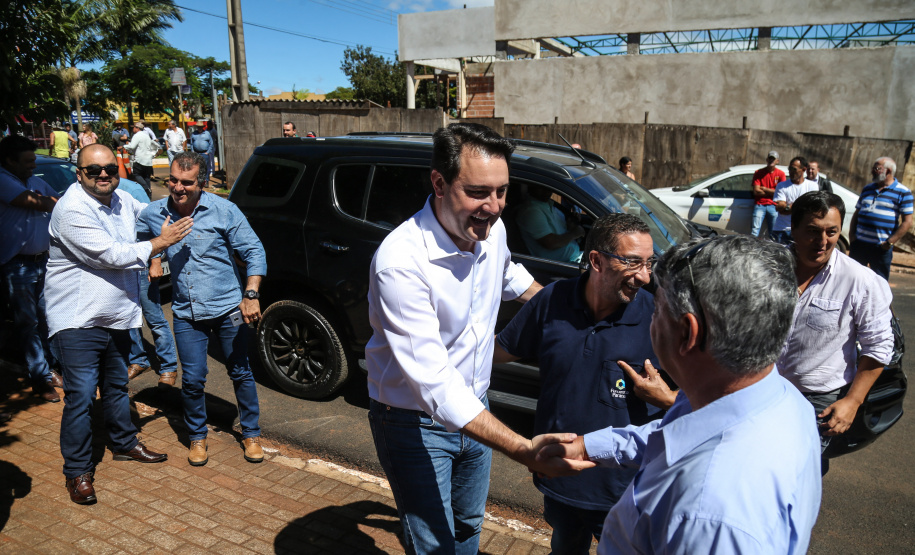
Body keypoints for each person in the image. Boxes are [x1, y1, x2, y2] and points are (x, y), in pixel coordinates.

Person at [366, 123, 579, 554]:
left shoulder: (489, 229)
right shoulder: (401, 262)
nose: (495, 206)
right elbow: (434, 383)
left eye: (502, 191)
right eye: (480, 192)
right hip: (413, 421)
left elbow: (508, 274)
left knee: (467, 524)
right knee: (434, 542)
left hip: (476, 405)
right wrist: (522, 448)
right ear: (439, 183)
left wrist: (565, 313)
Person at [540, 235, 822, 554]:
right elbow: (674, 434)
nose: (651, 318)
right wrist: (588, 446)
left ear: (687, 333)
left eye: (658, 308)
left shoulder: (707, 516)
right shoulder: (774, 396)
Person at [495, 213, 674, 555]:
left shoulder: (659, 318)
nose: (645, 276)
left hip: (627, 493)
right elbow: (502, 350)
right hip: (560, 476)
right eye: (633, 262)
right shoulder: (552, 300)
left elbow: (706, 401)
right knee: (565, 547)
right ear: (596, 261)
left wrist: (667, 398)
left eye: (649, 263)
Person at [45, 144, 193, 504]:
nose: (103, 176)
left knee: (115, 387)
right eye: (93, 171)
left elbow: (154, 213)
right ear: (79, 174)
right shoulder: (72, 209)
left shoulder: (123, 201)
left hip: (115, 315)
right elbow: (112, 255)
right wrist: (161, 242)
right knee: (80, 397)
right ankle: (77, 471)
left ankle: (125, 444)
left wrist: (185, 191)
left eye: (109, 169)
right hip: (77, 319)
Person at [137, 151, 267, 466]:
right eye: (173, 180)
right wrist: (156, 254)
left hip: (228, 308)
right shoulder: (153, 213)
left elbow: (254, 250)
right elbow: (142, 239)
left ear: (203, 182)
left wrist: (250, 293)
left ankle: (251, 432)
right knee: (193, 379)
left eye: (187, 182)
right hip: (185, 313)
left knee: (240, 371)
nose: (178, 188)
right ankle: (197, 437)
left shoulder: (224, 210)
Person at [778, 191, 894, 474]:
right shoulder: (770, 269)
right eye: (812, 232)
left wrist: (852, 401)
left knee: (794, 473)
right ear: (793, 229)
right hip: (762, 389)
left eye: (832, 232)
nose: (823, 242)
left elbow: (878, 346)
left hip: (817, 400)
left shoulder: (861, 281)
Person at [0, 135, 62, 403]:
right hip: (18, 265)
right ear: (9, 160)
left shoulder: (35, 181)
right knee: (28, 323)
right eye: (27, 162)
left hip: (44, 260)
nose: (32, 167)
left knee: (48, 317)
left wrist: (48, 199)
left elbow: (59, 202)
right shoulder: (2, 179)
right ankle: (40, 378)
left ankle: (51, 368)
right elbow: (37, 202)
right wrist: (45, 200)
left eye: (34, 161)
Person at [849, 157, 913, 281]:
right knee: (853, 279)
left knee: (879, 282)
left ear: (888, 171)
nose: (873, 171)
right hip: (859, 244)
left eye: (877, 168)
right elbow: (857, 213)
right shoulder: (868, 189)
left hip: (880, 247)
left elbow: (907, 222)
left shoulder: (903, 192)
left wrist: (890, 242)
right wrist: (852, 235)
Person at [516, 184, 584, 262]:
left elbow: (557, 231)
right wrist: (574, 234)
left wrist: (570, 227)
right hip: (564, 265)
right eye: (541, 187)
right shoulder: (532, 211)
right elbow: (551, 243)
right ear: (531, 187)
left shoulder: (547, 204)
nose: (546, 191)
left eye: (547, 187)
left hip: (575, 257)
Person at [771, 156, 819, 245]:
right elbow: (780, 208)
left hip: (802, 230)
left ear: (803, 169)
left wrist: (788, 207)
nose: (791, 171)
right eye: (789, 168)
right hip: (782, 229)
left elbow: (810, 209)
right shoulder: (782, 185)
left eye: (794, 169)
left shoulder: (812, 186)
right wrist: (801, 206)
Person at [751, 150, 786, 239]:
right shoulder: (759, 173)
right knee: (755, 231)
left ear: (777, 161)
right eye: (770, 158)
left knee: (774, 232)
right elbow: (756, 191)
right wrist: (773, 192)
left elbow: (781, 192)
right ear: (767, 159)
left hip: (774, 205)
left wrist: (765, 189)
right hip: (760, 204)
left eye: (773, 159)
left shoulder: (781, 174)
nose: (771, 161)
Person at [123, 122, 157, 196]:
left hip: (140, 159)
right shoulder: (146, 136)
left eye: (133, 127)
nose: (133, 129)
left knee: (136, 174)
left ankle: (146, 188)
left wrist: (124, 146)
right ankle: (148, 193)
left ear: (137, 128)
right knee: (146, 177)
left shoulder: (137, 135)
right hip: (148, 160)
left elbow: (132, 146)